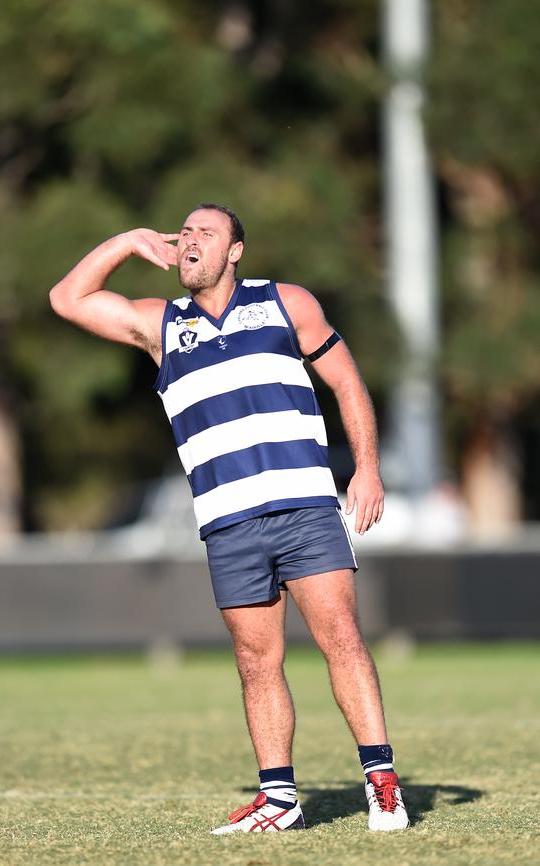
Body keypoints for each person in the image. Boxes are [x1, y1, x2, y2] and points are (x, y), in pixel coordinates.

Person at [49, 203, 409, 834]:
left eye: (205, 233)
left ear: (235, 251)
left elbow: (347, 383)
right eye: (184, 233)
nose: (190, 241)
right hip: (229, 523)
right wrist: (128, 242)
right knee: (255, 661)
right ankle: (279, 800)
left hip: (304, 507)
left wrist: (369, 469)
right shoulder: (161, 325)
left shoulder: (285, 303)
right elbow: (67, 298)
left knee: (341, 638)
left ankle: (382, 785)